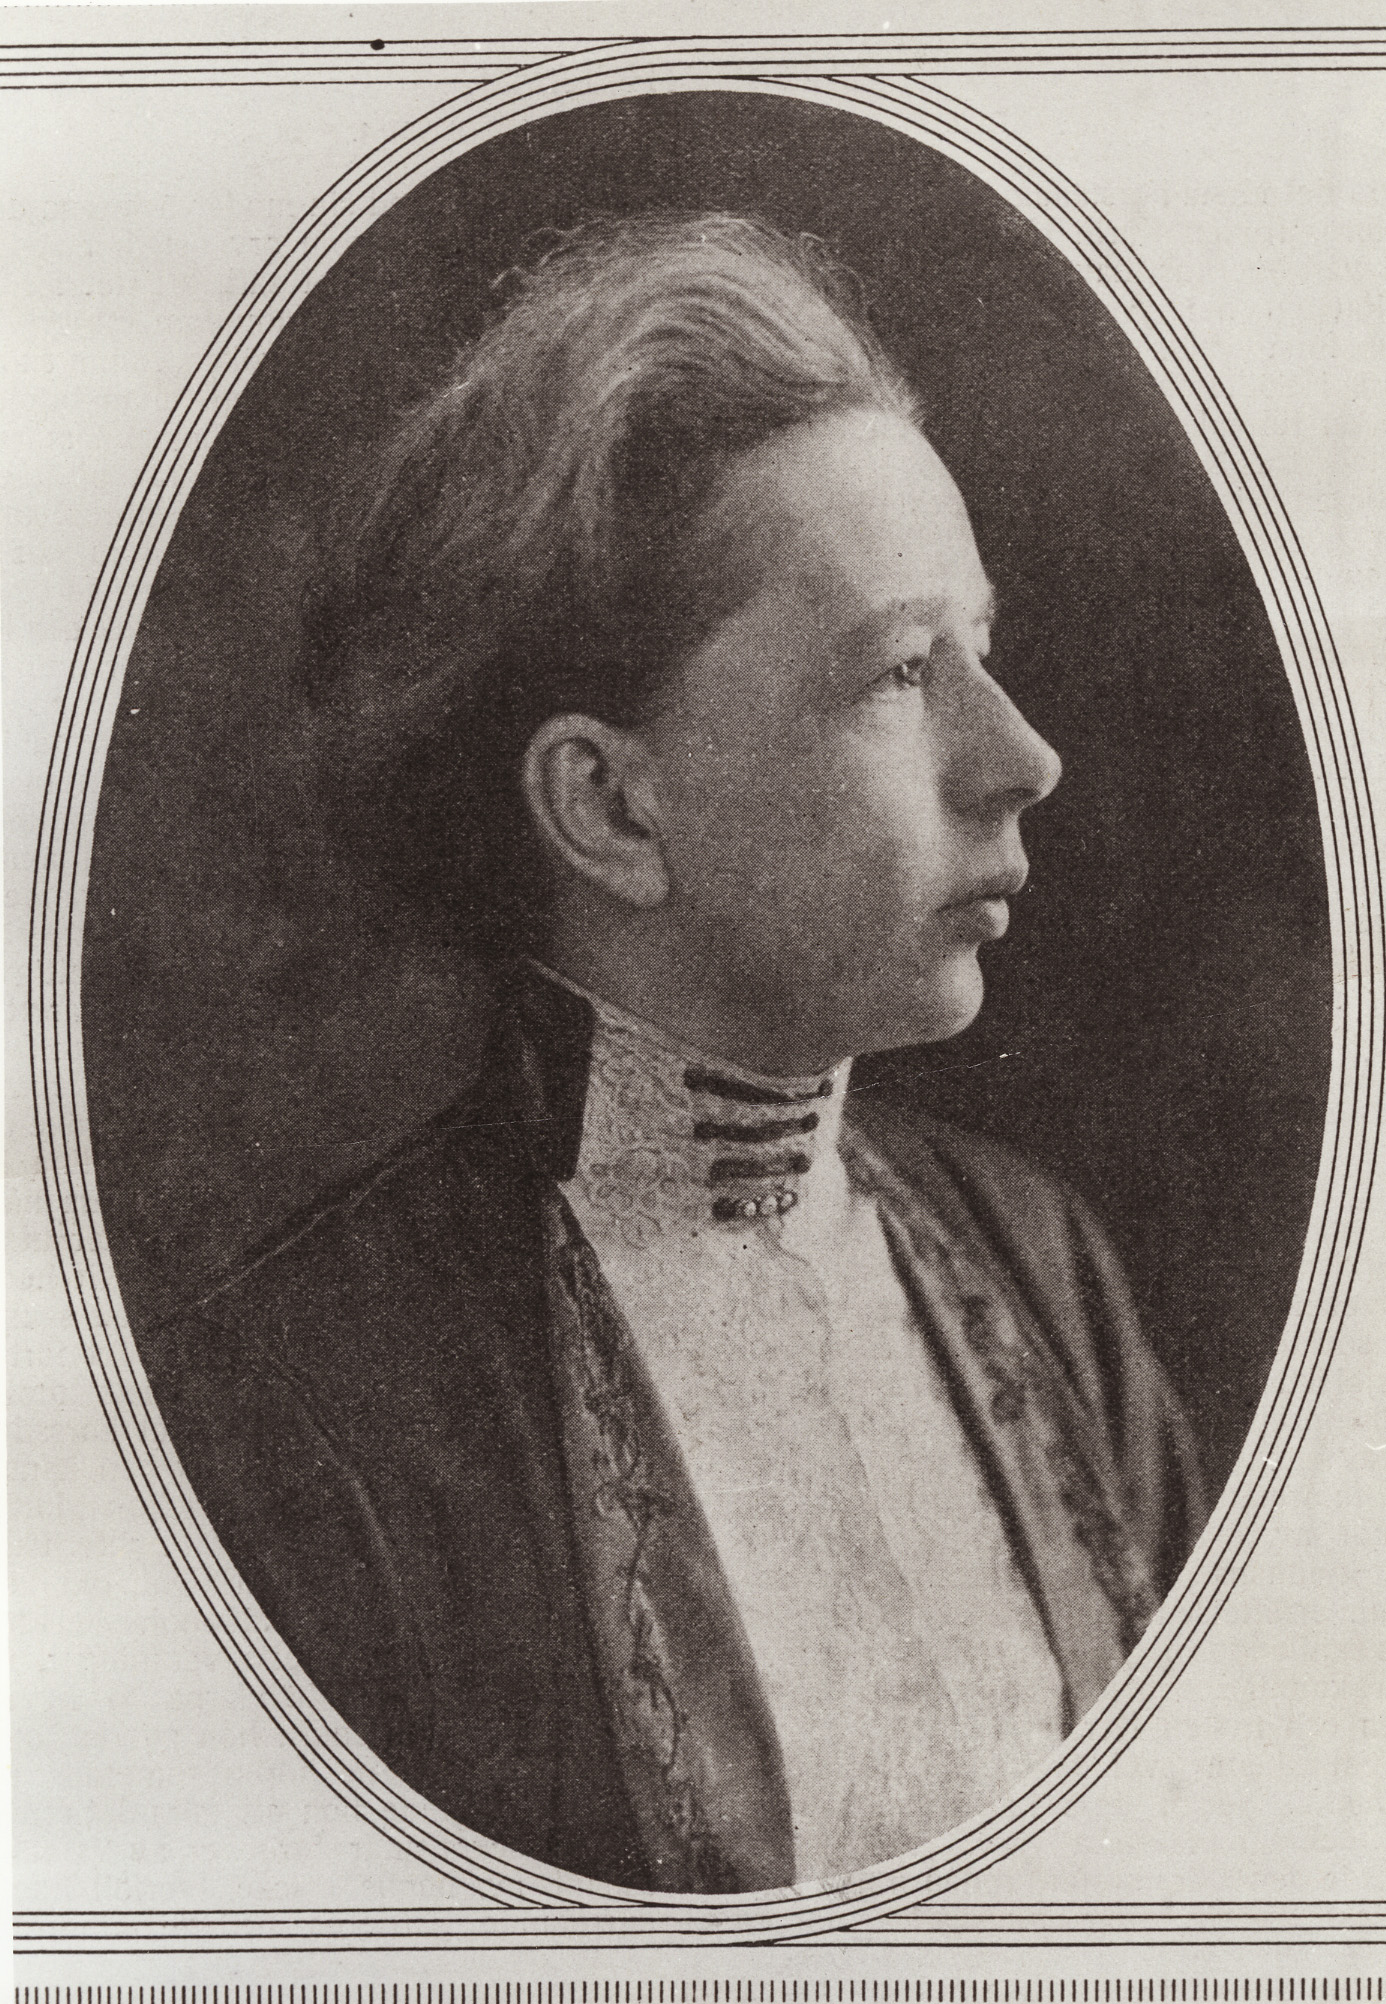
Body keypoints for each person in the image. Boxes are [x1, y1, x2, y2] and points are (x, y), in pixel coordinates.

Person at [152, 212, 1206, 1894]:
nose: (1019, 755)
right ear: (611, 807)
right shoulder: (299, 1419)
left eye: (983, 652)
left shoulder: (1039, 1264)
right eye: (897, 673)